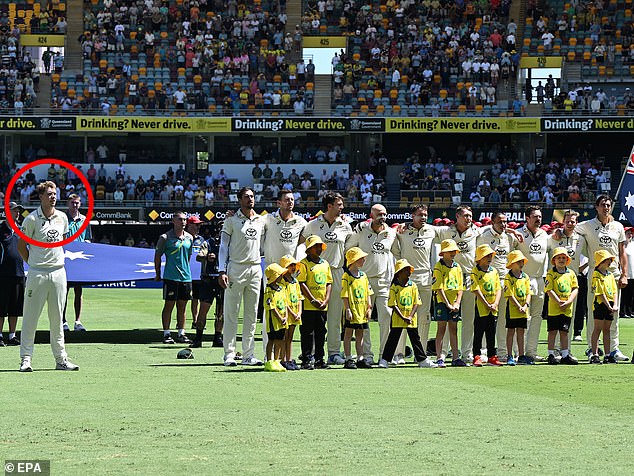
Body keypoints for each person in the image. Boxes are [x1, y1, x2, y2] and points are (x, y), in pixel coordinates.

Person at [18, 181, 79, 372]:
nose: (53, 197)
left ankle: (61, 359)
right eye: (49, 194)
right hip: (37, 273)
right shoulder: (31, 220)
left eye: (55, 194)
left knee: (57, 318)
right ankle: (26, 359)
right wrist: (33, 264)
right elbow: (21, 245)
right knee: (30, 318)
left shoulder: (62, 218)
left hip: (59, 272)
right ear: (41, 197)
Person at [573, 195, 629, 361]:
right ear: (596, 207)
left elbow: (622, 252)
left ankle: (613, 349)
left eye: (608, 205)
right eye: (603, 205)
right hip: (595, 273)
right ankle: (592, 349)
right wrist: (559, 232)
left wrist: (624, 274)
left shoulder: (618, 226)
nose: (606, 208)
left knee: (614, 313)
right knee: (593, 313)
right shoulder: (587, 225)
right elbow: (570, 228)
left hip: (614, 273)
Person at [301, 192, 352, 365]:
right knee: (315, 316)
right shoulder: (313, 225)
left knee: (335, 315)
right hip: (315, 272)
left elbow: (351, 249)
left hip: (337, 271)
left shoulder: (346, 226)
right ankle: (313, 353)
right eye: (339, 204)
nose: (342, 207)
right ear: (329, 206)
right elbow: (301, 243)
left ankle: (333, 352)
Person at [218, 187, 265, 366]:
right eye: (246, 197)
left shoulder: (262, 220)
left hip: (255, 268)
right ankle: (229, 354)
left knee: (252, 314)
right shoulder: (231, 219)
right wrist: (222, 270)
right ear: (239, 200)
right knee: (231, 313)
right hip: (235, 268)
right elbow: (223, 246)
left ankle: (248, 355)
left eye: (252, 196)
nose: (250, 199)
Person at [347, 204, 398, 364]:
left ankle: (385, 355)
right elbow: (349, 248)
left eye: (384, 214)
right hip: (363, 281)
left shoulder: (391, 233)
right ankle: (367, 355)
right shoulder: (361, 230)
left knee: (386, 317)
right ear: (371, 214)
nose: (382, 217)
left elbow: (397, 252)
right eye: (379, 214)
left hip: (384, 281)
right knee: (364, 319)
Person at [392, 204, 437, 359]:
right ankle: (399, 353)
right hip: (407, 278)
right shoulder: (402, 231)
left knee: (424, 317)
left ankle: (422, 354)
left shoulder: (431, 230)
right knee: (403, 316)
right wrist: (400, 261)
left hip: (425, 278)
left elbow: (452, 230)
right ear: (412, 216)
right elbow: (388, 237)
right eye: (420, 215)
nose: (423, 217)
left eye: (425, 215)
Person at [476, 211, 519, 361]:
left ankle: (501, 352)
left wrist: (512, 231)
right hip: (488, 280)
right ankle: (482, 352)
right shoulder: (483, 234)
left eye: (505, 222)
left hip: (504, 280)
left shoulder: (509, 237)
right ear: (492, 222)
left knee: (502, 320)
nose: (503, 224)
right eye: (500, 222)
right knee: (485, 319)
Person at [380, 259, 437, 368]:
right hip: (397, 319)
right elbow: (393, 303)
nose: (409, 272)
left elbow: (416, 302)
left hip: (411, 319)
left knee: (415, 340)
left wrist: (410, 316)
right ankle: (385, 360)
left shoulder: (413, 286)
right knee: (393, 339)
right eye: (406, 270)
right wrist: (402, 317)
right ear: (399, 272)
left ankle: (422, 360)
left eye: (409, 270)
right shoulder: (394, 287)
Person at [154, 211, 193, 345]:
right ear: (173, 221)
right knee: (169, 305)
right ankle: (166, 333)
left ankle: (181, 333)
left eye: (184, 220)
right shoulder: (165, 237)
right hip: (170, 277)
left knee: (182, 306)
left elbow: (188, 256)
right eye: (180, 219)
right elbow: (158, 256)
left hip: (186, 278)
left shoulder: (189, 238)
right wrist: (158, 273)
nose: (183, 222)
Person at [516, 206, 549, 363]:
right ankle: (518, 351)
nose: (539, 219)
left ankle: (532, 351)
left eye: (540, 216)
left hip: (539, 279)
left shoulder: (544, 234)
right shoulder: (519, 233)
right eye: (535, 216)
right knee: (523, 318)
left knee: (537, 317)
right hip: (523, 280)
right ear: (527, 218)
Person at [549, 210, 586, 342]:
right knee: (555, 316)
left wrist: (583, 268)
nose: (570, 223)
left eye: (573, 221)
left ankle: (566, 349)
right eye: (567, 221)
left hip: (572, 282)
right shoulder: (554, 237)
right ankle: (555, 351)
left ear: (577, 223)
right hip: (555, 281)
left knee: (570, 315)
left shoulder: (581, 239)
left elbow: (591, 255)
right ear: (563, 222)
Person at [297, 235, 332, 369]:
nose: (318, 249)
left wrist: (326, 300)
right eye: (315, 247)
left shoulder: (325, 264)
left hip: (322, 306)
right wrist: (312, 299)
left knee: (321, 332)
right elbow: (302, 283)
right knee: (307, 333)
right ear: (309, 249)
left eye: (319, 247)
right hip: (307, 306)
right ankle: (306, 359)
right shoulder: (304, 264)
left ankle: (319, 359)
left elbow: (329, 283)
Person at [432, 239, 465, 368]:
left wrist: (457, 303)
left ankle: (456, 357)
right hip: (442, 302)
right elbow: (439, 287)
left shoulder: (457, 267)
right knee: (441, 329)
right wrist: (448, 304)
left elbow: (460, 287)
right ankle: (439, 357)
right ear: (443, 253)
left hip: (454, 303)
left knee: (454, 329)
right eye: (449, 251)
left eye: (454, 251)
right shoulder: (438, 266)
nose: (452, 253)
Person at [544, 248, 579, 365]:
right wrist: (558, 301)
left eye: (564, 258)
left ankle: (565, 355)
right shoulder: (551, 273)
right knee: (552, 331)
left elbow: (575, 288)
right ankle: (551, 354)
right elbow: (549, 290)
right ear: (554, 260)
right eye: (558, 258)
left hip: (567, 309)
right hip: (554, 309)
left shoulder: (571, 273)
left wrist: (569, 301)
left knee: (564, 332)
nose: (561, 260)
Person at [63, 194, 92, 332]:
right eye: (72, 203)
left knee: (78, 292)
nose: (75, 205)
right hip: (64, 259)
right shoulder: (62, 219)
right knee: (63, 291)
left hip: (79, 260)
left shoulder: (85, 220)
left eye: (77, 203)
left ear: (80, 204)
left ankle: (77, 321)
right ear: (68, 204)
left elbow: (88, 240)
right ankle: (63, 321)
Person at [191, 228, 224, 348]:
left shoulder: (230, 243)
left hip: (223, 280)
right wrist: (206, 257)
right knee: (203, 310)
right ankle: (198, 338)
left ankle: (218, 337)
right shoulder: (207, 243)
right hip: (208, 279)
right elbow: (199, 256)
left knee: (221, 312)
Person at [341, 247, 373, 369]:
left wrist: (369, 307)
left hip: (362, 309)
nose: (363, 260)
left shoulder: (363, 275)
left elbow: (368, 292)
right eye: (361, 258)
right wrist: (347, 309)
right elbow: (345, 294)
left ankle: (360, 357)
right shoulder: (347, 276)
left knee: (360, 334)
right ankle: (348, 358)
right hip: (352, 309)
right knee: (348, 334)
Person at [470, 245, 502, 367]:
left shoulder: (494, 271)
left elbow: (498, 288)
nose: (489, 258)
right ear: (480, 257)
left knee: (491, 332)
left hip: (493, 308)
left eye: (490, 256)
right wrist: (486, 304)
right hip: (481, 307)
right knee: (478, 332)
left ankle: (492, 356)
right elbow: (476, 289)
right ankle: (476, 356)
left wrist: (495, 303)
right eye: (486, 256)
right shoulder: (475, 271)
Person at [0, 202, 25, 347]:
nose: (17, 213)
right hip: (3, 274)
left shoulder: (22, 229)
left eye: (18, 211)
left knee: (15, 307)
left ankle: (12, 335)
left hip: (18, 273)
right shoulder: (1, 229)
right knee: (1, 308)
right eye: (14, 210)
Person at [590, 250, 618, 364]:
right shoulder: (596, 274)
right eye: (607, 260)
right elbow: (600, 293)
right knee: (597, 329)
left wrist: (614, 305)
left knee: (607, 330)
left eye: (610, 260)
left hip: (610, 304)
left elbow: (615, 291)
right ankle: (595, 354)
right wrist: (608, 306)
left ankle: (608, 355)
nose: (609, 262)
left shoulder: (610, 275)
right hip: (600, 304)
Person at [504, 250, 532, 366]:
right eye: (518, 261)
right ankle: (509, 355)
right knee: (511, 331)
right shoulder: (508, 277)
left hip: (523, 310)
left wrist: (525, 305)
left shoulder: (525, 276)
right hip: (512, 309)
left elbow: (529, 292)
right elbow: (509, 294)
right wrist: (518, 305)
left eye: (522, 261)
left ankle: (521, 355)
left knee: (521, 332)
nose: (521, 263)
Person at [263, 263, 289, 372]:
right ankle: (269, 361)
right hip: (273, 320)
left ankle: (276, 360)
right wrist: (279, 317)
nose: (281, 276)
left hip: (283, 319)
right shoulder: (268, 290)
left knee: (280, 340)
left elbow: (285, 303)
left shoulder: (281, 288)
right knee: (272, 339)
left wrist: (286, 316)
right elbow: (271, 307)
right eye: (279, 274)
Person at [280, 255, 302, 370]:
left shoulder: (295, 282)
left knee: (290, 338)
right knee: (284, 337)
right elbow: (284, 300)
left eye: (294, 265)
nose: (293, 267)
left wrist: (299, 312)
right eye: (290, 265)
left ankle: (289, 359)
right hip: (287, 314)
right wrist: (292, 313)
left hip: (295, 314)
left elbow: (299, 298)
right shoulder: (282, 282)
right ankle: (282, 359)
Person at [185, 215, 205, 329]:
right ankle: (180, 322)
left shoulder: (201, 239)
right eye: (196, 224)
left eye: (199, 225)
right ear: (190, 225)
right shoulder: (184, 237)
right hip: (185, 273)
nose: (198, 227)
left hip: (198, 274)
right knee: (182, 300)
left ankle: (195, 321)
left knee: (196, 298)